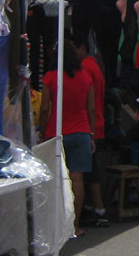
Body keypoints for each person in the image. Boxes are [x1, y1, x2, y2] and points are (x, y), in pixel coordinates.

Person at [40, 42, 98, 237]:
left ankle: (56, 224)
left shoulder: (50, 77)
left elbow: (45, 108)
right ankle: (74, 224)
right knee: (77, 179)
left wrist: (41, 130)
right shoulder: (86, 77)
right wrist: (91, 134)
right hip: (81, 131)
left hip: (55, 132)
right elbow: (91, 109)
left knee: (55, 179)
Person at [71, 33, 110, 228]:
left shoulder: (85, 67)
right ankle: (94, 207)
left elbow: (89, 104)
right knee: (90, 170)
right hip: (95, 124)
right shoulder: (95, 65)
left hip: (89, 125)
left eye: (74, 48)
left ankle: (99, 209)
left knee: (89, 172)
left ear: (82, 48)